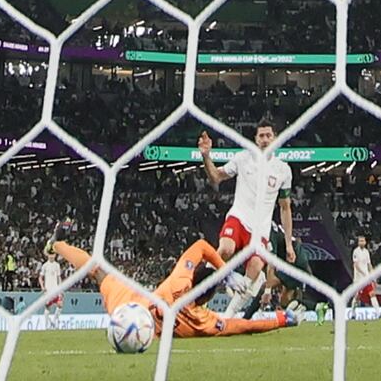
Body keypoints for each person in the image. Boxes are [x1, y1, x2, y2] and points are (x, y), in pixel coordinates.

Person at [45, 219, 302, 338]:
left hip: (130, 306)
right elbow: (244, 326)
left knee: (97, 270)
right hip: (137, 319)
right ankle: (56, 244)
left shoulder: (180, 280)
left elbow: (201, 246)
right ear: (208, 298)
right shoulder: (203, 323)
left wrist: (225, 271)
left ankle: (57, 245)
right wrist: (282, 319)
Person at [198, 120, 296, 296]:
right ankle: (200, 285)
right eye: (261, 136)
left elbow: (285, 208)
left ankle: (234, 302)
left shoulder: (283, 170)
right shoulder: (243, 158)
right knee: (226, 249)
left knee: (255, 267)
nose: (265, 139)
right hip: (239, 218)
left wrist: (289, 244)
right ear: (255, 139)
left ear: (275, 138)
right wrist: (206, 156)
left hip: (260, 230)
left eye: (268, 135)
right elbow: (216, 177)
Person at [351, 236, 381, 318]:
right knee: (357, 297)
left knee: (372, 294)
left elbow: (369, 264)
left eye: (363, 241)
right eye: (360, 241)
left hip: (367, 278)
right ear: (358, 242)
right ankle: (353, 313)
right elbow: (355, 265)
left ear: (365, 242)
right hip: (359, 279)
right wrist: (364, 274)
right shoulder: (356, 252)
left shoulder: (366, 252)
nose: (361, 242)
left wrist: (373, 274)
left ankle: (378, 313)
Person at [38, 253, 63, 329]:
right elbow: (40, 277)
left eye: (53, 255)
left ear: (55, 255)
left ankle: (54, 322)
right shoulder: (45, 265)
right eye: (50, 255)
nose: (51, 256)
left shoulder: (57, 265)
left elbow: (59, 277)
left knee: (60, 305)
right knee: (47, 307)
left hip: (55, 290)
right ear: (48, 256)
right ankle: (46, 326)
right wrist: (42, 287)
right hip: (48, 290)